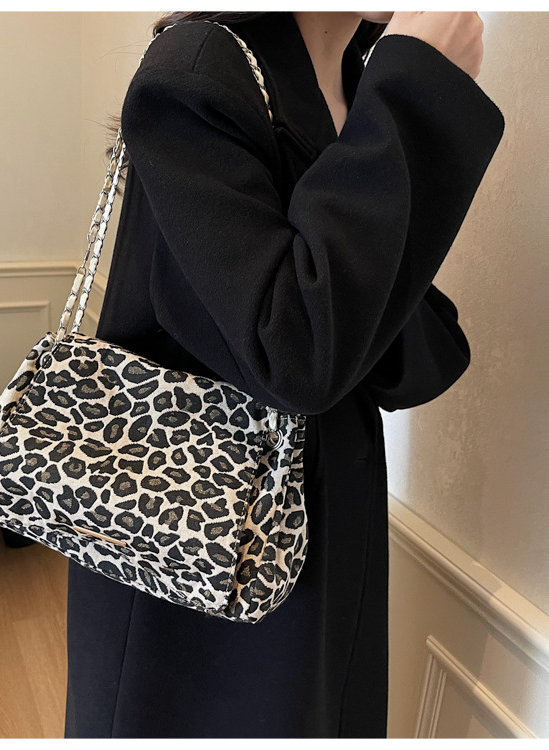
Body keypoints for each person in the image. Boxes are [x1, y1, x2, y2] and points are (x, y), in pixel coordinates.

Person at [63, 11, 504, 738]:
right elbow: (296, 351)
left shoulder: (352, 84)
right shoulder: (197, 69)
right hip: (194, 547)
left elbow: (400, 352)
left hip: (316, 542)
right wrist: (416, 92)